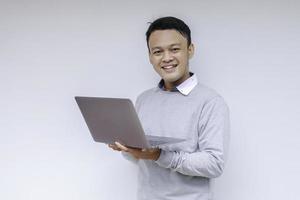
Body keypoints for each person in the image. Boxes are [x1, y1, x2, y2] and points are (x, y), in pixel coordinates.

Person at [109, 16, 230, 200]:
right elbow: (141, 159)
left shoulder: (210, 102)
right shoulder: (144, 99)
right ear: (150, 56)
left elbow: (214, 164)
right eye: (157, 51)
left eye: (174, 49)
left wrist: (160, 155)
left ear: (190, 50)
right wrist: (127, 148)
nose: (167, 58)